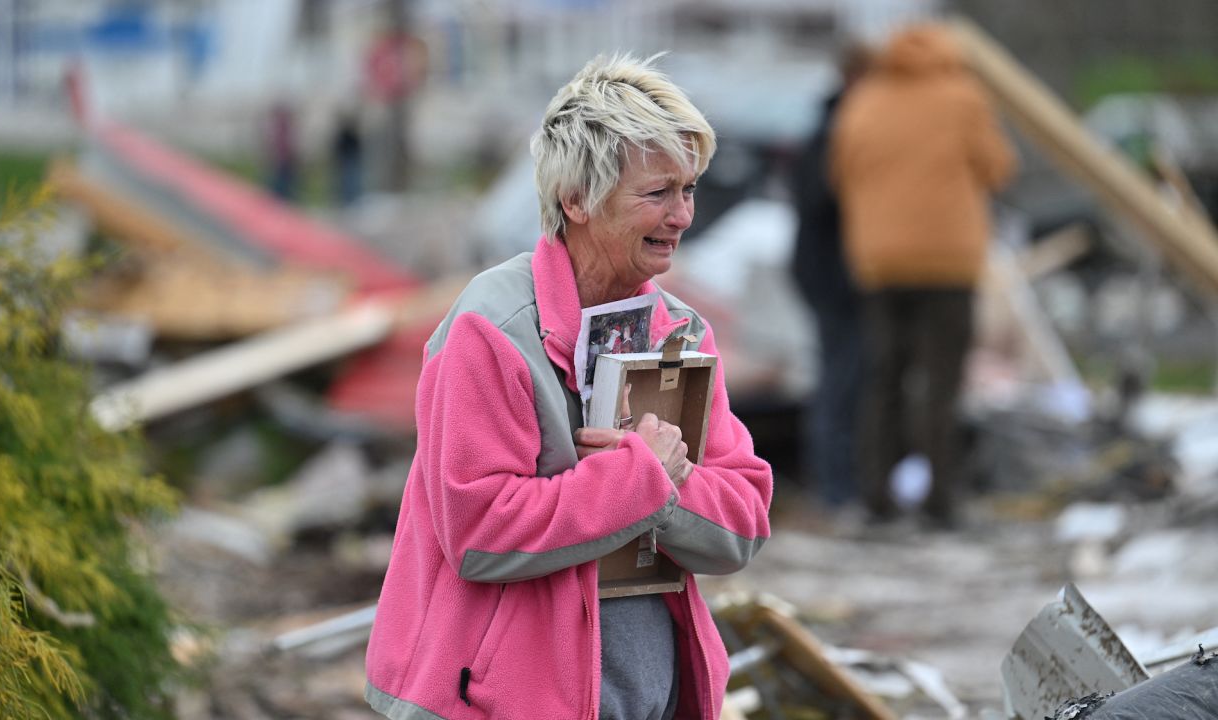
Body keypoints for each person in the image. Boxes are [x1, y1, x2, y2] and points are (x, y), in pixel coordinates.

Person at [364, 54, 773, 719]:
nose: (682, 216)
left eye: (688, 189)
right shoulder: (491, 329)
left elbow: (744, 521)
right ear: (576, 199)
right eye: (657, 193)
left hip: (653, 698)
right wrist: (641, 480)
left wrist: (660, 489)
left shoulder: (681, 334)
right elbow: (478, 534)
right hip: (499, 702)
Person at [831, 24, 1017, 529]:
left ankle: (876, 499)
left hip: (881, 262)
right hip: (948, 260)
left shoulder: (865, 99)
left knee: (885, 378)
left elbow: (841, 173)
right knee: (943, 381)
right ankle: (940, 502)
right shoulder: (964, 96)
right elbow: (998, 167)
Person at [789, 43, 872, 514]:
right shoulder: (835, 132)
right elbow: (822, 198)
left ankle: (840, 485)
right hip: (833, 274)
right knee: (841, 379)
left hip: (830, 270)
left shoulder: (831, 126)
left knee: (846, 377)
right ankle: (835, 488)